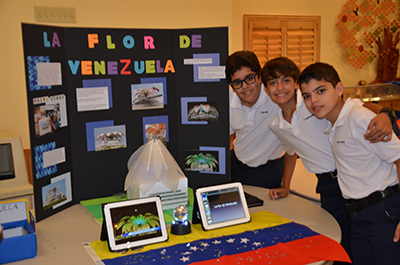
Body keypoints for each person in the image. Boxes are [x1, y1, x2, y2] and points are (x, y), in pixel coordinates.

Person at [261, 57, 392, 264]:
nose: (280, 88)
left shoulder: (314, 105)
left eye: (286, 80)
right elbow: (290, 151)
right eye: (272, 83)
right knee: (340, 239)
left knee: (367, 240)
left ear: (295, 83)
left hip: (353, 178)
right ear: (266, 89)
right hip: (328, 184)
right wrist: (285, 186)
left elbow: (356, 109)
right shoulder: (277, 124)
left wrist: (387, 114)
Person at [298, 62, 400, 265]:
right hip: (358, 215)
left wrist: (385, 113)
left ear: (339, 89)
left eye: (320, 91)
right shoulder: (337, 122)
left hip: (383, 211)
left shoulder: (358, 118)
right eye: (307, 96)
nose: (314, 100)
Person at [226, 51, 297, 190]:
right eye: (237, 82)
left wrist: (286, 185)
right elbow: (226, 139)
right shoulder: (227, 100)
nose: (245, 86)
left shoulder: (277, 97)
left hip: (271, 169)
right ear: (231, 85)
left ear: (259, 77)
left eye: (250, 78)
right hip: (238, 164)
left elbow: (292, 147)